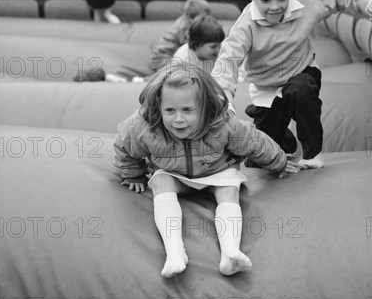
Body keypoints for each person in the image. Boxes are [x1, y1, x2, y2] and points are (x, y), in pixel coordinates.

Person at [114, 66, 299, 278]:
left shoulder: (222, 125)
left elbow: (255, 142)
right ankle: (174, 253)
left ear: (203, 107)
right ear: (159, 106)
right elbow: (124, 146)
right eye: (170, 111)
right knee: (160, 182)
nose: (178, 119)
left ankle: (231, 252)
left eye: (187, 110)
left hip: (216, 171)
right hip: (174, 174)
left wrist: (280, 163)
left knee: (229, 190)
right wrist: (133, 174)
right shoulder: (145, 126)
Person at [211, 0, 372, 170]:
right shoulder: (246, 24)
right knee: (259, 156)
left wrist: (364, 4)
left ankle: (313, 153)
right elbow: (228, 59)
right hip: (267, 88)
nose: (275, 6)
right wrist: (222, 98)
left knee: (298, 90)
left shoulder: (305, 3)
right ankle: (285, 141)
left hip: (303, 72)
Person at [147, 0, 211, 73]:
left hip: (172, 56)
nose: (205, 21)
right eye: (202, 18)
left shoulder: (192, 22)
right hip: (162, 60)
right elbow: (192, 48)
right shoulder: (184, 28)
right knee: (186, 70)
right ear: (189, 17)